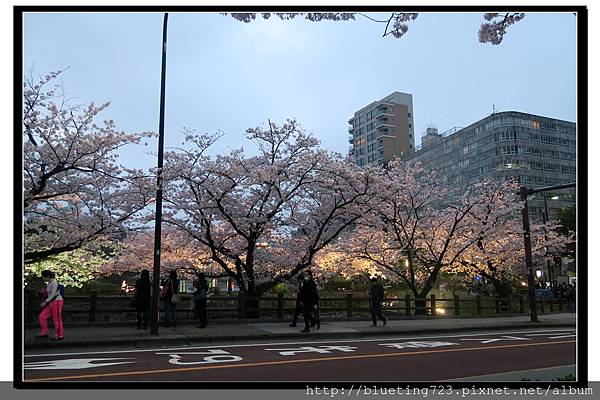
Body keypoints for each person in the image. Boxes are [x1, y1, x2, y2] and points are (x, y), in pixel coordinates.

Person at [36, 270, 64, 340]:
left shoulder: (54, 283)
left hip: (57, 302)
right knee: (42, 317)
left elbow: (53, 294)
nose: (43, 278)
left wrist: (45, 302)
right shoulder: (49, 283)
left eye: (43, 277)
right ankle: (44, 332)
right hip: (51, 303)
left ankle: (59, 335)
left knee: (57, 319)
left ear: (48, 276)